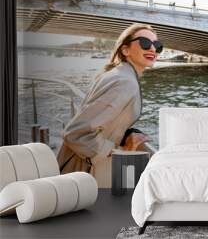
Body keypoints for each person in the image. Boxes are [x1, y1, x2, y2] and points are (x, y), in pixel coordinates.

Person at [57, 23, 163, 187]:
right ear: (125, 50)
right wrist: (119, 150)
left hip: (85, 168)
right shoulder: (124, 82)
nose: (152, 49)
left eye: (157, 45)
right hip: (84, 173)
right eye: (144, 42)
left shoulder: (119, 74)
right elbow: (76, 134)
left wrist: (125, 135)